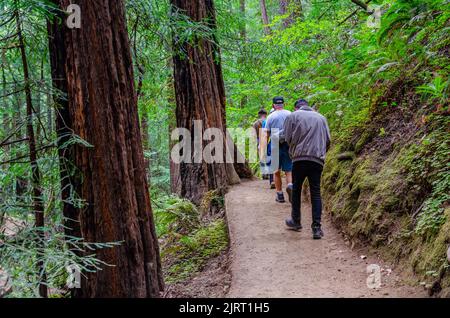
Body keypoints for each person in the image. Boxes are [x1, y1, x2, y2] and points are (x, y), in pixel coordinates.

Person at [283, 99, 331, 239]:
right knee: (315, 192)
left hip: (299, 158)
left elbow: (287, 137)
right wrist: (321, 152)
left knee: (296, 190)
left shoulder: (293, 116)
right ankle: (316, 228)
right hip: (317, 159)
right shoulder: (321, 118)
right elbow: (328, 140)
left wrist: (294, 150)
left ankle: (296, 221)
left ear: (297, 107)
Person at [261, 97, 293, 203]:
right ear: (284, 104)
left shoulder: (270, 117)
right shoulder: (290, 114)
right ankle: (290, 186)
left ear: (273, 105)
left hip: (275, 143)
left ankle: (279, 194)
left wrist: (263, 149)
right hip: (288, 143)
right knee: (289, 170)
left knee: (276, 171)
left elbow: (266, 134)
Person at [254, 109, 270, 181]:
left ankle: (264, 174)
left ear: (259, 114)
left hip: (259, 140)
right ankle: (270, 174)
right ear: (265, 114)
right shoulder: (268, 121)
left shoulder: (255, 123)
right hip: (268, 139)